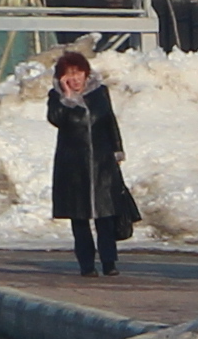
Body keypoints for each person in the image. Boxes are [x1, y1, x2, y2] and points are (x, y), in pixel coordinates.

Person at [42, 49, 137, 280]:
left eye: (78, 73)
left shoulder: (100, 92)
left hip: (102, 163)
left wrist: (117, 149)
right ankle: (86, 265)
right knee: (80, 218)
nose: (75, 79)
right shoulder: (56, 97)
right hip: (73, 167)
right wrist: (67, 97)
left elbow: (109, 121)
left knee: (105, 215)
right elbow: (56, 119)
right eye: (69, 75)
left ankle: (109, 262)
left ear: (86, 73)